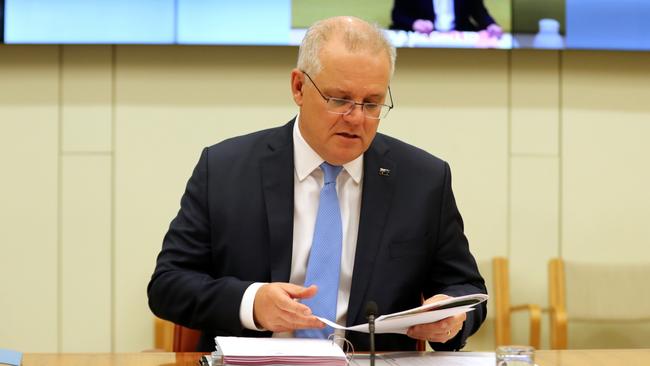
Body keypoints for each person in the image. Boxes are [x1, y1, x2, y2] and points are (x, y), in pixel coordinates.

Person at [147, 15, 487, 352]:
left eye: (371, 103)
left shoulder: (422, 180)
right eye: (339, 99)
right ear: (298, 87)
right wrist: (251, 303)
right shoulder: (225, 169)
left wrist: (450, 316)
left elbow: (465, 287)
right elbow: (168, 285)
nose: (356, 118)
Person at [390, 0, 503, 38]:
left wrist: (491, 25)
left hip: (458, 38)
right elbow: (397, 15)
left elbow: (479, 13)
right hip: (423, 40)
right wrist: (414, 23)